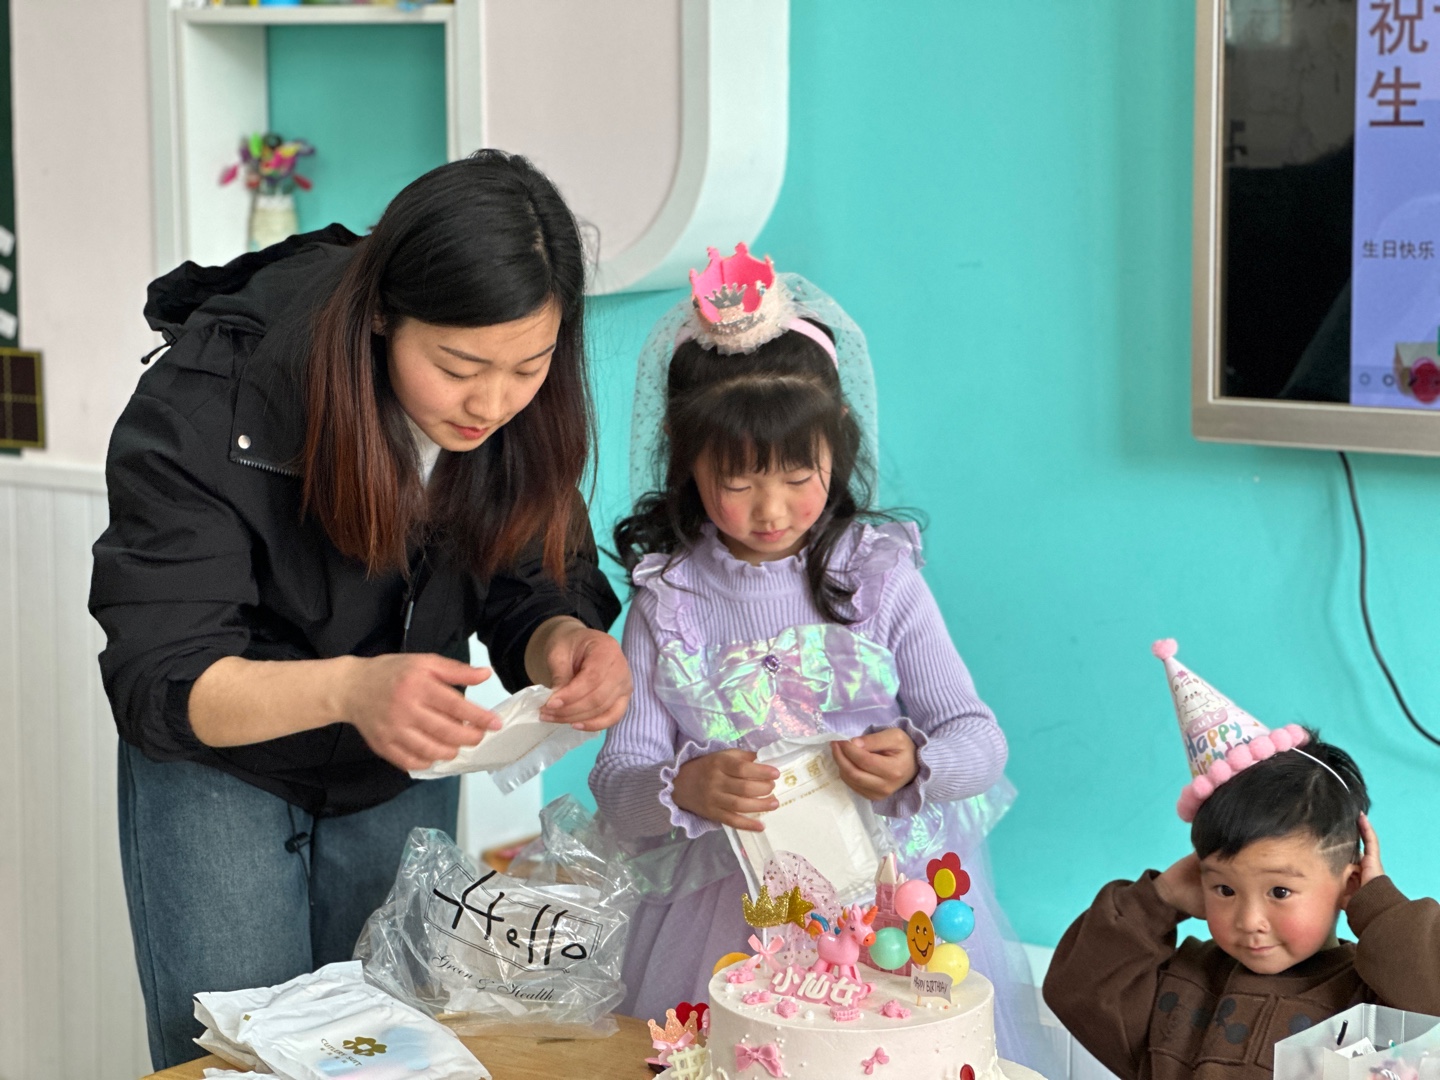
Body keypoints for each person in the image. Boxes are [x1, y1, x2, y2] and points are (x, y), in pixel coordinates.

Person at [90, 150, 631, 1070]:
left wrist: (564, 643)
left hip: (396, 761)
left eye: (529, 366)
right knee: (244, 1057)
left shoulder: (513, 415)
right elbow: (164, 675)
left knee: (391, 1050)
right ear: (382, 315)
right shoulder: (213, 398)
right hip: (222, 762)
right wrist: (351, 689)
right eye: (458, 366)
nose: (493, 403)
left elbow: (526, 573)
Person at [589, 244, 1039, 1064]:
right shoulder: (670, 601)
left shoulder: (880, 578)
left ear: (839, 447)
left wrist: (917, 762)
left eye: (799, 474)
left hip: (889, 910)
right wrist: (683, 787)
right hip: (727, 920)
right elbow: (619, 786)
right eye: (737, 480)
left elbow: (980, 739)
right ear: (686, 462)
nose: (772, 508)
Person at [1043, 641, 1440, 1080]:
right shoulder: (1182, 982)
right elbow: (1076, 990)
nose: (1249, 920)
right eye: (1225, 889)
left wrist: (1379, 907)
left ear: (1350, 884)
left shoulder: (1372, 1000)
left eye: (1280, 891)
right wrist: (1159, 899)